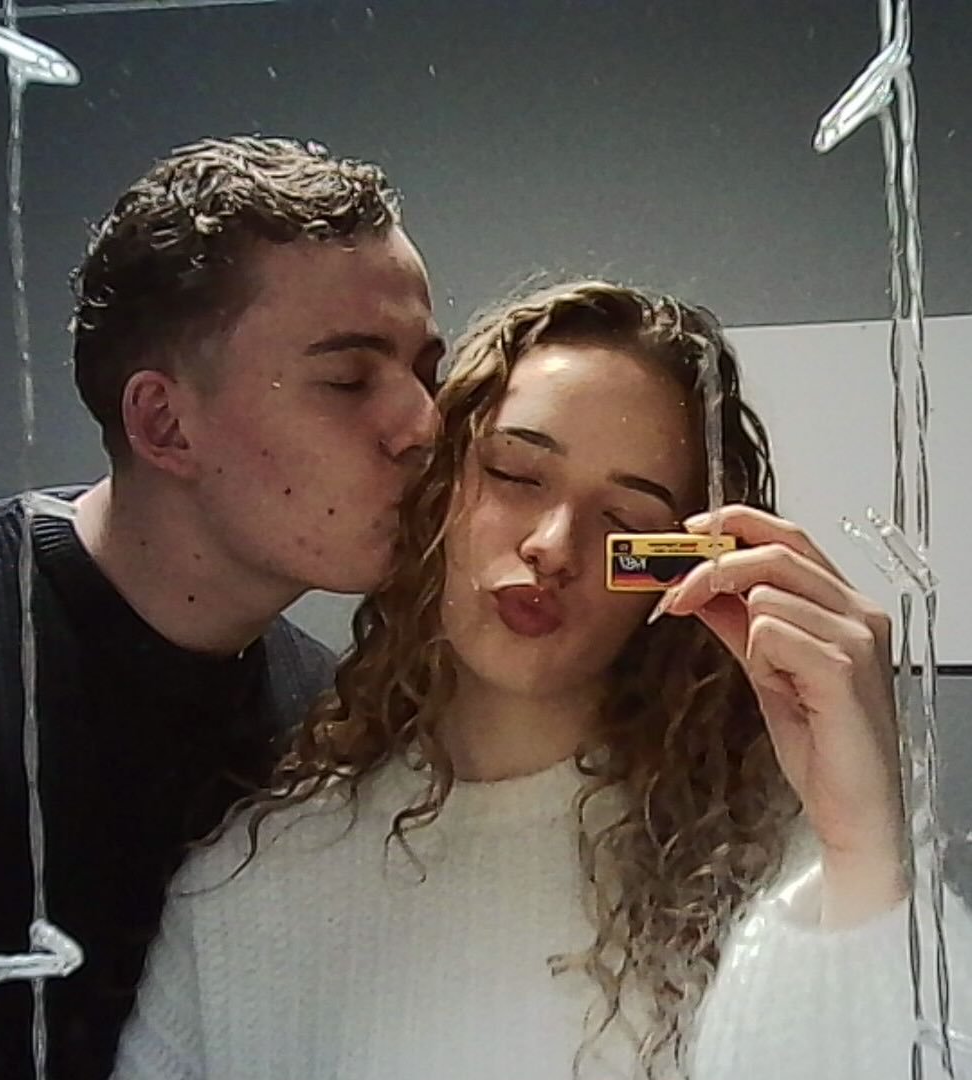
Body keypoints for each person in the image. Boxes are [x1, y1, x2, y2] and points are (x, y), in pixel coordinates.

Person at [112, 280, 971, 1080]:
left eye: (627, 518)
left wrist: (867, 848)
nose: (554, 547)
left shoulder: (787, 860)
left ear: (674, 566)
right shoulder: (251, 885)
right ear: (437, 489)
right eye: (515, 475)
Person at [0, 134, 444, 1078]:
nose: (423, 424)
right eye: (350, 379)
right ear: (165, 423)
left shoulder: (322, 733)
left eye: (425, 371)